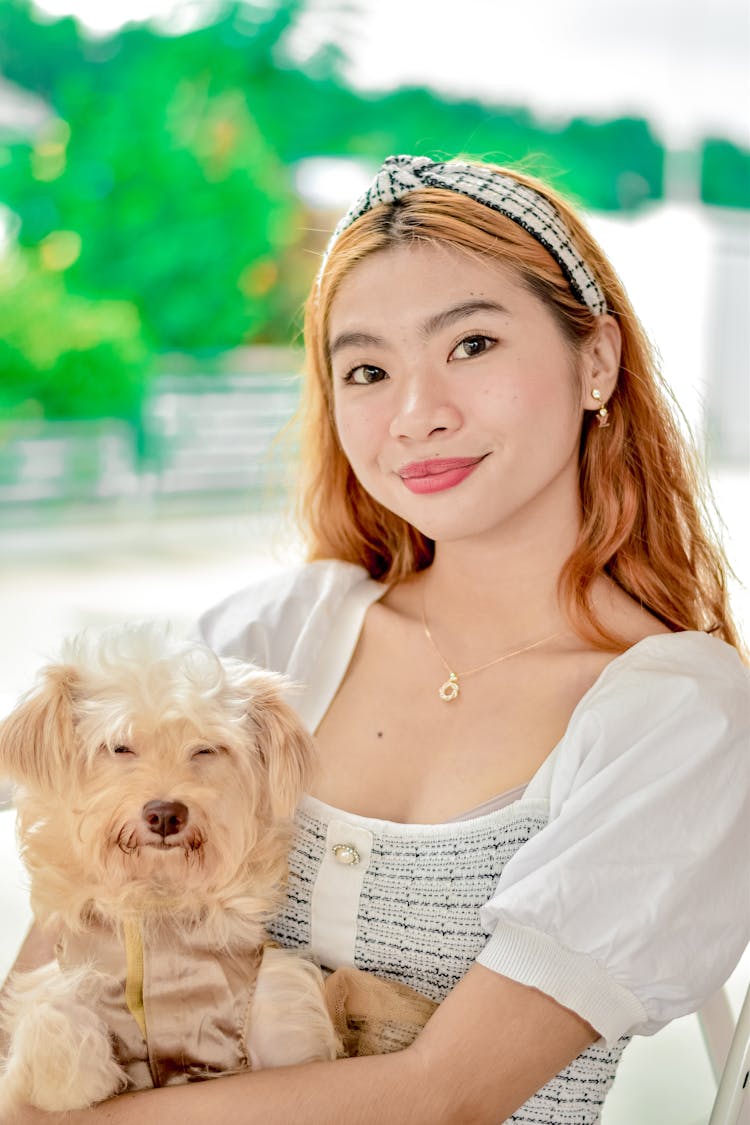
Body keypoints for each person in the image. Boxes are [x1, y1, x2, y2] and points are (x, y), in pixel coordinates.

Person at [3, 153, 749, 1124]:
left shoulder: (678, 715)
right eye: (366, 368)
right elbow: (67, 955)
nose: (417, 414)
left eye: (472, 345)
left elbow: (445, 1097)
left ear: (597, 359)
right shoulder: (278, 632)